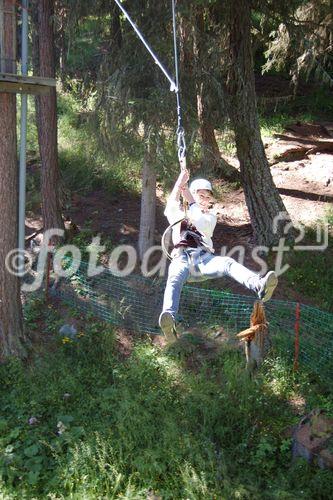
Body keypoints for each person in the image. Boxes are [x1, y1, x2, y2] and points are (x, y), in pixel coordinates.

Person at [159, 158, 278, 343]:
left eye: (208, 197)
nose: (205, 200)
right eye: (201, 196)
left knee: (228, 263)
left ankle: (258, 285)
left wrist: (189, 197)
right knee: (174, 278)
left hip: (203, 259)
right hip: (181, 258)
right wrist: (179, 182)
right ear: (191, 194)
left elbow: (198, 221)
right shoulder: (179, 214)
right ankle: (169, 319)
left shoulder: (209, 217)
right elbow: (169, 207)